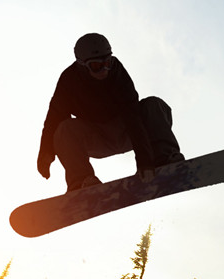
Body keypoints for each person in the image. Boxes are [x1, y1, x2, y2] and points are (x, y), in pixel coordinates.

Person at [37, 33, 184, 192]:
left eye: (107, 63)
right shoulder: (69, 80)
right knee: (64, 128)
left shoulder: (117, 71)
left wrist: (145, 161)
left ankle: (164, 158)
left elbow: (133, 116)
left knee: (154, 105)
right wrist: (46, 152)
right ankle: (81, 181)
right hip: (96, 137)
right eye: (96, 66)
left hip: (127, 130)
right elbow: (54, 118)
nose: (104, 70)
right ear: (82, 65)